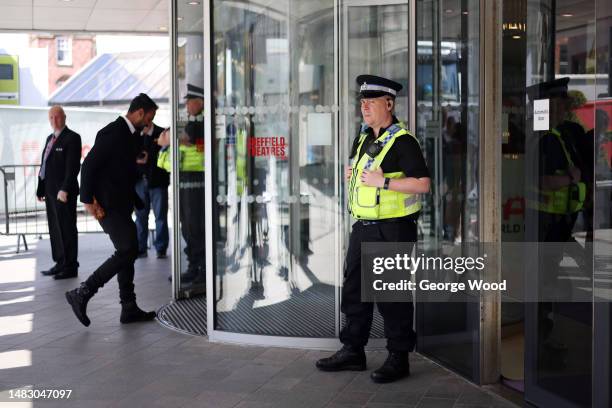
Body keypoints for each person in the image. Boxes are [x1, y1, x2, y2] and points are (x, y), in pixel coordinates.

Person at [316, 75, 430, 383]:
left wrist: (385, 182)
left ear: (389, 104)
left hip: (393, 229)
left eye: (371, 102)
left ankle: (398, 357)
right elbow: (364, 174)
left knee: (392, 297)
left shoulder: (404, 141)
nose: (364, 107)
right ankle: (353, 350)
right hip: (363, 226)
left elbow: (423, 184)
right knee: (355, 292)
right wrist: (351, 175)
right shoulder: (365, 137)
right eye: (362, 102)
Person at [65, 93, 159, 327]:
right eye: (149, 117)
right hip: (106, 205)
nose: (150, 123)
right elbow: (88, 166)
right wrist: (87, 200)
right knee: (127, 248)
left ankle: (128, 307)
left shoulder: (132, 135)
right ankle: (83, 292)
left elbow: (127, 169)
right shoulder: (114, 132)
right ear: (139, 112)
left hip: (121, 203)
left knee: (128, 249)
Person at [158, 84, 205, 284]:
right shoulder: (192, 120)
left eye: (189, 102)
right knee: (186, 226)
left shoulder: (202, 120)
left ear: (200, 102)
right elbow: (175, 140)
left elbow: (188, 139)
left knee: (195, 226)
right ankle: (194, 266)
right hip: (184, 179)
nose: (186, 105)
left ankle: (202, 269)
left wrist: (172, 139)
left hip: (197, 180)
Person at [36, 105, 81, 280]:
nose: (54, 120)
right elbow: (44, 165)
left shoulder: (72, 138)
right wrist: (41, 187)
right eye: (51, 118)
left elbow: (73, 167)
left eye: (57, 117)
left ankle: (70, 266)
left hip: (64, 192)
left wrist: (64, 188)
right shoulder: (50, 138)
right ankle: (60, 262)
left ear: (64, 117)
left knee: (67, 228)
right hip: (50, 191)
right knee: (55, 228)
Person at [135, 121, 170, 259]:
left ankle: (161, 248)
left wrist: (149, 157)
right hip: (139, 182)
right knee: (140, 216)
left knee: (160, 216)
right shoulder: (135, 135)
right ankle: (140, 248)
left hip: (157, 182)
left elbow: (166, 154)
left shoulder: (162, 134)